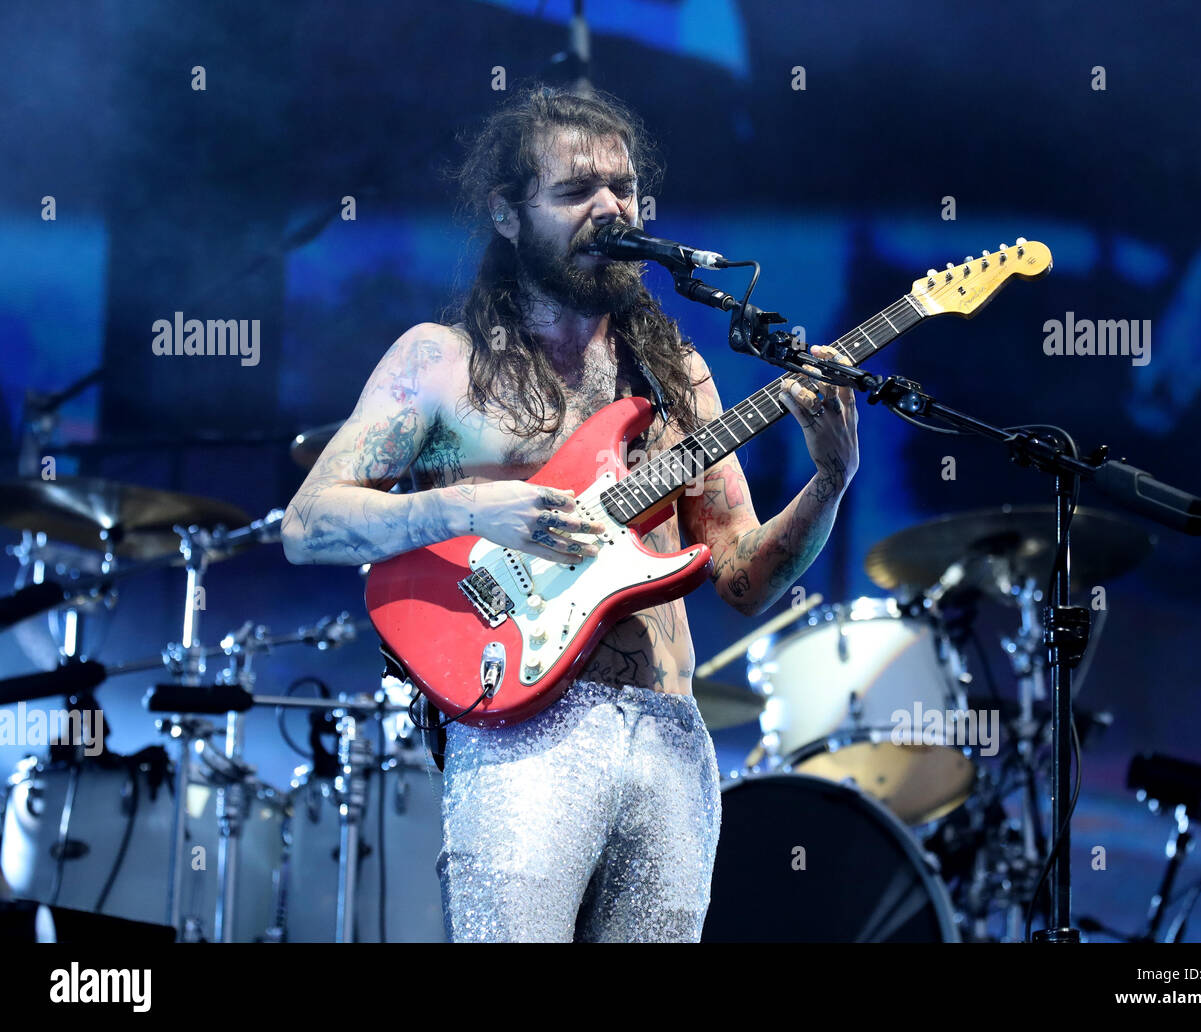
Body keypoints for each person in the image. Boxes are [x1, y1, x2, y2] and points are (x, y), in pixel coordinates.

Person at [282, 85, 859, 942]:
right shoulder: (442, 364)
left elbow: (741, 576)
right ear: (508, 214)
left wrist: (830, 481)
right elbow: (310, 523)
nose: (610, 207)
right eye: (575, 191)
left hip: (671, 738)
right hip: (520, 731)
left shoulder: (677, 378)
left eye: (623, 189)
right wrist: (479, 502)